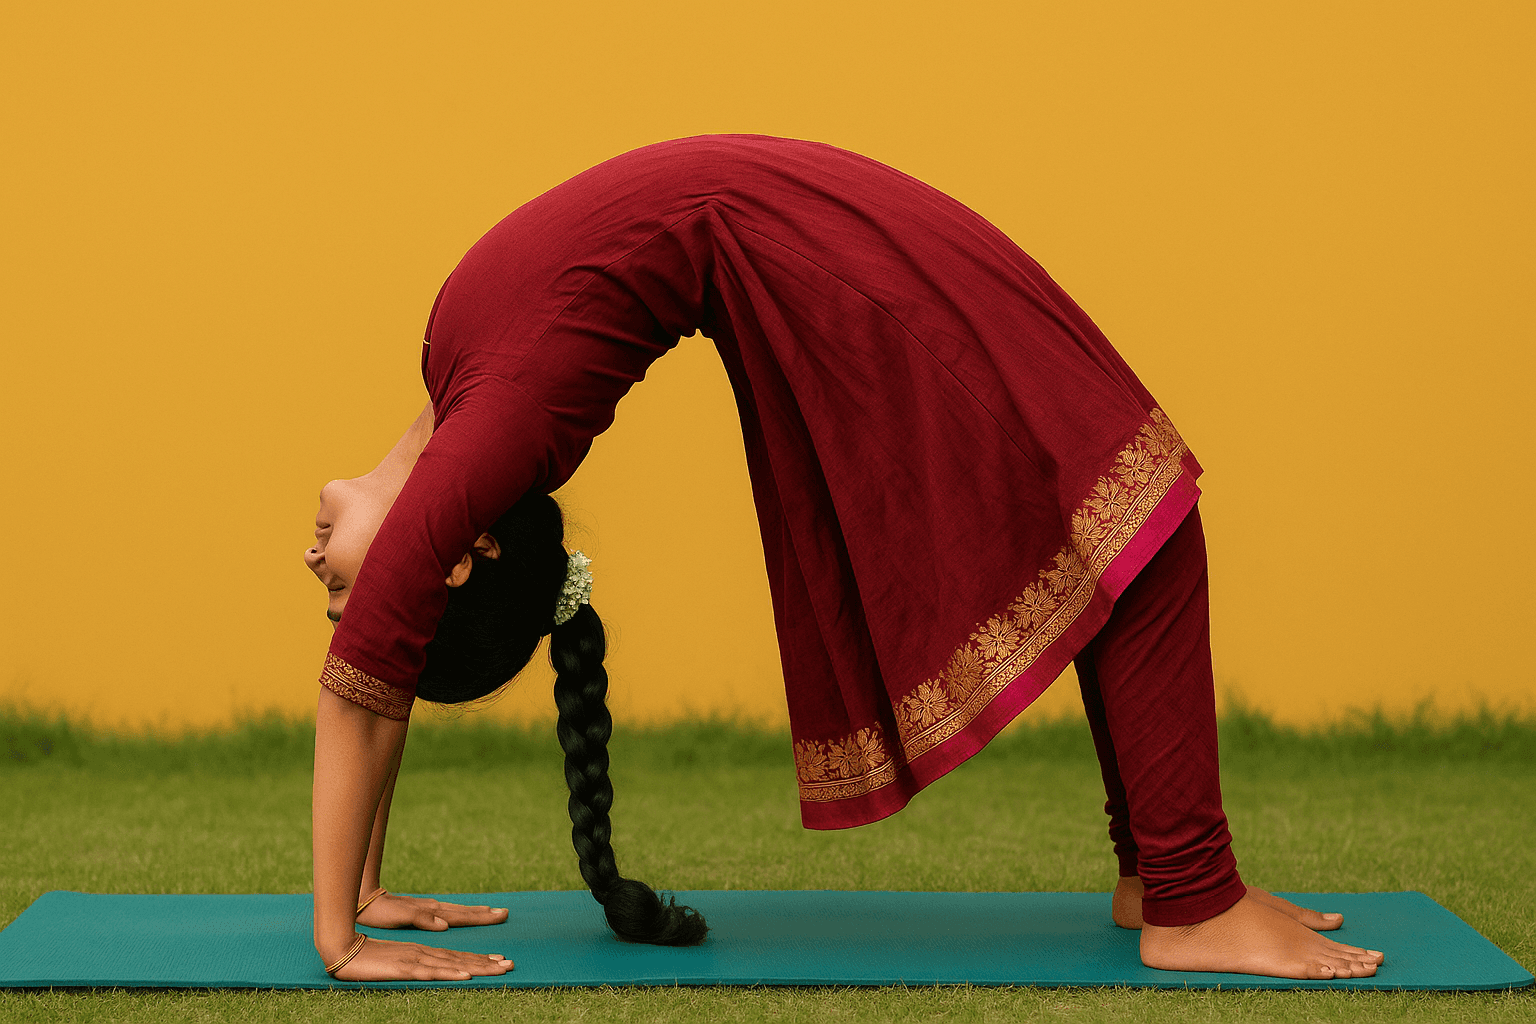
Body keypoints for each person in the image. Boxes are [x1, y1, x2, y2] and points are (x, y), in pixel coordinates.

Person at [303, 134, 1385, 982]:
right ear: (463, 551)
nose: (319, 571)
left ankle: (1173, 881)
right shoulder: (496, 429)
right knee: (1135, 512)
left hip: (808, 220)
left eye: (349, 588)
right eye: (348, 589)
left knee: (1127, 508)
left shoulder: (468, 395)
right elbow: (370, 685)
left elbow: (378, 674)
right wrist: (345, 924)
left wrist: (358, 901)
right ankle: (1181, 892)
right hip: (806, 243)